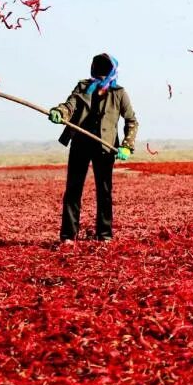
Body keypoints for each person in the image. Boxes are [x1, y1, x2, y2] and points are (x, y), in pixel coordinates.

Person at [49, 53, 138, 243]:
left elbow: (131, 120)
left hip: (105, 148)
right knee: (73, 190)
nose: (101, 75)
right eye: (99, 69)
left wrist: (127, 146)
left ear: (112, 71)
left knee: (104, 191)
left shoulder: (119, 93)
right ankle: (68, 236)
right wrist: (59, 111)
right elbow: (70, 105)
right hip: (80, 144)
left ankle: (104, 235)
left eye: (105, 70)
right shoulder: (83, 87)